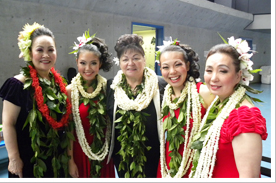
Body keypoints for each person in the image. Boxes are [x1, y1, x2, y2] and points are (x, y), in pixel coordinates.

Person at [0, 22, 74, 178]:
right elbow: (8, 123)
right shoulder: (17, 85)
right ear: (30, 53)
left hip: (57, 159)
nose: (46, 55)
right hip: (29, 160)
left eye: (50, 50)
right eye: (40, 50)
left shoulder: (60, 84)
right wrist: (13, 158)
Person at [189, 36, 268, 178]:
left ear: (239, 76)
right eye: (209, 70)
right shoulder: (218, 104)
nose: (213, 78)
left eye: (223, 71)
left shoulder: (244, 117)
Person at [106, 34, 167, 178]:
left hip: (153, 157)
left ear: (144, 60)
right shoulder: (111, 86)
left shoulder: (160, 85)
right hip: (122, 157)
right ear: (119, 63)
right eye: (125, 59)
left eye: (136, 58)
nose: (130, 63)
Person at [155, 37, 214, 178]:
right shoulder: (164, 96)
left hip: (196, 164)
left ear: (187, 66)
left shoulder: (203, 92)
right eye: (165, 67)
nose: (172, 72)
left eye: (177, 64)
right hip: (169, 162)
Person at [66, 30, 115, 178]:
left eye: (93, 63)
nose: (88, 69)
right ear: (77, 63)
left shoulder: (108, 88)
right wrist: (70, 161)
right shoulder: (70, 91)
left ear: (100, 64)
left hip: (103, 152)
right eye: (83, 63)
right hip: (79, 152)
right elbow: (68, 129)